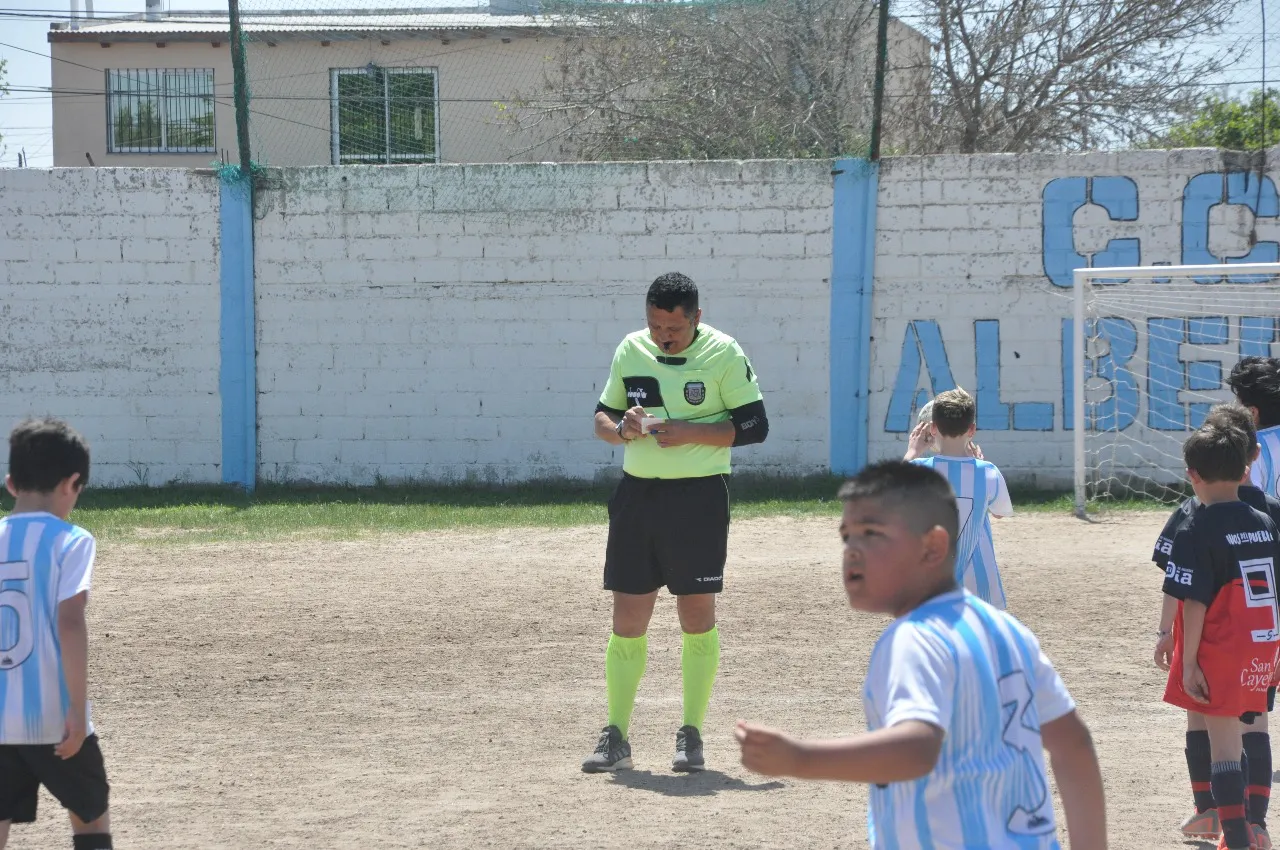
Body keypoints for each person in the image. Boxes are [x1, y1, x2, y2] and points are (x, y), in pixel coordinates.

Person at [734, 461, 1106, 848]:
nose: (853, 552)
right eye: (847, 536)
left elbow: (917, 748)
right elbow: (1073, 744)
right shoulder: (1009, 631)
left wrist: (800, 758)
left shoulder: (914, 639)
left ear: (932, 547)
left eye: (872, 534)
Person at [582, 272, 769, 774]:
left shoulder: (724, 353)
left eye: (674, 328)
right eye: (655, 325)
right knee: (628, 620)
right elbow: (602, 416)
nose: (663, 335)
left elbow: (755, 426)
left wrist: (688, 431)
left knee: (695, 615)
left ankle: (691, 733)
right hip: (637, 497)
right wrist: (622, 429)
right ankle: (616, 734)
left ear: (697, 319)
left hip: (698, 500)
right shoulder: (631, 349)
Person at [1154, 406, 1280, 846]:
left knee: (1223, 742)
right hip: (1263, 644)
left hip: (1220, 645)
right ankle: (1255, 827)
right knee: (1256, 726)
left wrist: (1182, 655)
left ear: (1193, 475)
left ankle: (1234, 833)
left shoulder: (1195, 522)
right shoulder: (1266, 520)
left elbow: (1190, 594)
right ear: (1249, 462)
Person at [0, 418, 112, 850]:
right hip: (55, 717)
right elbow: (70, 621)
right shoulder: (72, 540)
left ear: (11, 483)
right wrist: (77, 711)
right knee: (89, 818)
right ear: (73, 483)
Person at [904, 388, 1013, 608]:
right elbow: (999, 513)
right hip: (980, 588)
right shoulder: (988, 471)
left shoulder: (918, 471)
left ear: (933, 429)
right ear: (972, 429)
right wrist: (978, 463)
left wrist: (912, 452)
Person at [1228, 357, 1280, 498]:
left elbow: (1248, 507)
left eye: (1237, 401)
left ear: (1252, 412)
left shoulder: (1252, 448)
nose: (1235, 406)